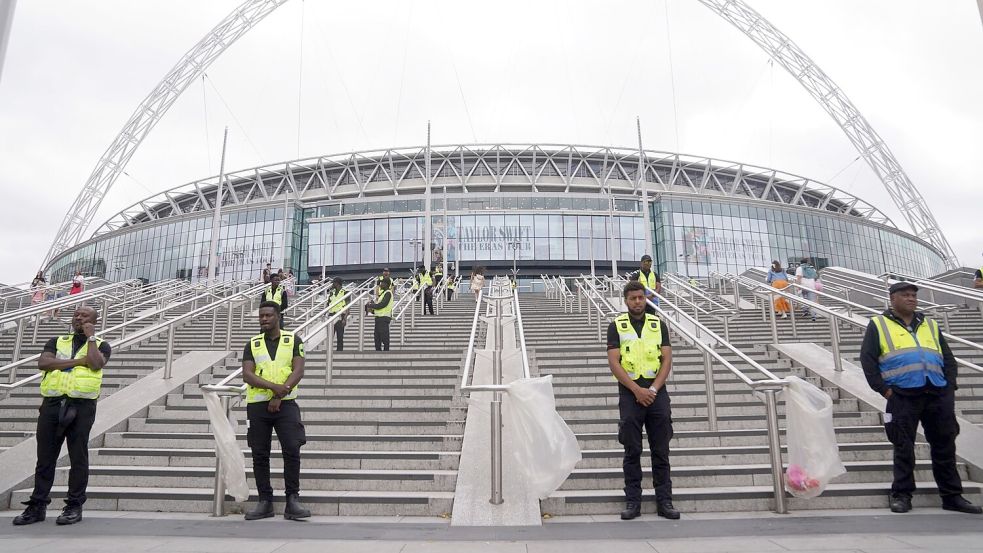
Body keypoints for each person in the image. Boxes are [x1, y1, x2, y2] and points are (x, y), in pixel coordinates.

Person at [860, 282, 981, 515]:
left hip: (936, 392)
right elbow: (868, 360)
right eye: (905, 295)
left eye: (914, 295)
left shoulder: (930, 324)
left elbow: (947, 357)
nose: (911, 299)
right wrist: (884, 390)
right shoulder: (878, 324)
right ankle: (902, 494)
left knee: (945, 444)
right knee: (903, 445)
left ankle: (952, 496)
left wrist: (949, 385)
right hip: (902, 394)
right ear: (892, 299)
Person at [13, 307, 112, 526]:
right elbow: (44, 363)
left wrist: (91, 337)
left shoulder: (101, 344)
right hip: (52, 404)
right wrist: (78, 362)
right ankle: (37, 505)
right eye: (76, 314)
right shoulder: (56, 341)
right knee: (45, 457)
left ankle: (74, 506)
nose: (79, 317)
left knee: (78, 456)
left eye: (85, 315)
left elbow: (95, 363)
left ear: (95, 320)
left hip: (82, 406)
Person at [607, 281, 678, 521]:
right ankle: (633, 502)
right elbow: (614, 362)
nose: (638, 302)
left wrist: (654, 389)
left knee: (661, 450)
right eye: (633, 298)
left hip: (657, 393)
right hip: (630, 393)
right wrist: (637, 390)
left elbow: (666, 359)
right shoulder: (616, 326)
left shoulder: (659, 325)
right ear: (625, 301)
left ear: (645, 299)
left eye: (641, 298)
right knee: (632, 449)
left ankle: (665, 502)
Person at [241, 301, 310, 521]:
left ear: (277, 317)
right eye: (261, 316)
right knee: (259, 453)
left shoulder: (293, 340)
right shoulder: (252, 343)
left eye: (268, 315)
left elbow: (298, 371)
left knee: (292, 448)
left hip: (286, 404)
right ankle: (265, 501)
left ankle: (292, 500)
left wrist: (279, 395)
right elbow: (247, 375)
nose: (264, 319)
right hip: (258, 405)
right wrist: (273, 389)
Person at [365, 277, 393, 351]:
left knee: (384, 337)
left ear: (386, 284)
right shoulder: (383, 293)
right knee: (377, 337)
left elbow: (382, 305)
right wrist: (372, 310)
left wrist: (371, 305)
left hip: (384, 318)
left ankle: (386, 352)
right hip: (378, 318)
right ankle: (378, 352)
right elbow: (379, 307)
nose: (380, 284)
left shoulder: (388, 293)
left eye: (382, 283)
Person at [328, 278, 349, 351]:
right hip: (331, 316)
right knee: (330, 336)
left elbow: (348, 306)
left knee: (340, 336)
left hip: (340, 316)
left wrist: (345, 318)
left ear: (337, 283)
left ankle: (339, 351)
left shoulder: (345, 292)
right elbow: (328, 304)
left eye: (333, 283)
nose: (332, 284)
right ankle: (329, 351)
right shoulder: (332, 292)